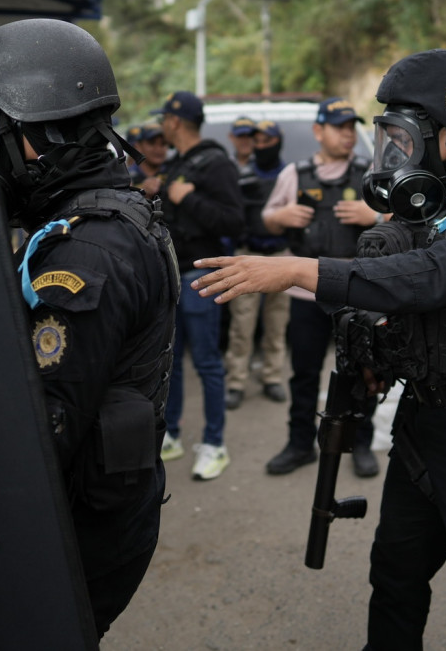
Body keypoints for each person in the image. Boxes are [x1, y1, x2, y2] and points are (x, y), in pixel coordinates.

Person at [192, 49, 446, 651]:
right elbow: (400, 293)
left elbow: (433, 277)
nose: (394, 155)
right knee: (394, 581)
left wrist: (299, 269)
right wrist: (376, 350)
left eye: (404, 139)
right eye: (388, 140)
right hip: (423, 431)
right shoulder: (432, 205)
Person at [0, 18, 179, 640]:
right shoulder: (98, 216)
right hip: (105, 504)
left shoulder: (86, 250)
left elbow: (45, 427)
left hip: (81, 524)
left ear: (37, 137)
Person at [260, 97, 381, 478]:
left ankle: (361, 444)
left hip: (356, 292)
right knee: (304, 374)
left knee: (362, 373)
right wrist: (281, 216)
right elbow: (267, 219)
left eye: (351, 128)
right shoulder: (294, 174)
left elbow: (399, 220)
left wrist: (374, 215)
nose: (348, 135)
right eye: (339, 127)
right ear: (318, 131)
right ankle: (300, 445)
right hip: (305, 295)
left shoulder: (369, 173)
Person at [154, 91, 244, 480]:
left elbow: (233, 222)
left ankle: (214, 444)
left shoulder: (215, 163)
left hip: (201, 279)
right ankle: (172, 434)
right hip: (172, 279)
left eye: (163, 120)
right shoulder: (178, 163)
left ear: (175, 121)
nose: (161, 126)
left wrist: (188, 198)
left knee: (207, 363)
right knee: (170, 363)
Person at [223, 119, 290, 409]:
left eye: (267, 141)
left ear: (278, 141)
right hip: (247, 255)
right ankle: (236, 381)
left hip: (281, 256)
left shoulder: (290, 175)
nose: (261, 146)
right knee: (242, 325)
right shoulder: (242, 175)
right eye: (257, 141)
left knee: (276, 324)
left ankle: (272, 377)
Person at [129, 120, 168, 198]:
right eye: (151, 143)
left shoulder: (175, 170)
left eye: (163, 143)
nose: (158, 149)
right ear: (138, 146)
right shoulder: (127, 177)